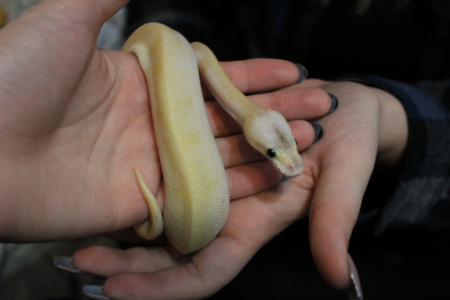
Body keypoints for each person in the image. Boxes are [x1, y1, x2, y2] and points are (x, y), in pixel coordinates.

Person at [2, 1, 450, 300]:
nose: (286, 162)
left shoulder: (261, 124)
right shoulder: (254, 115)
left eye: (283, 149)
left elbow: (193, 53)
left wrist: (396, 120)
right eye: (277, 154)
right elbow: (186, 14)